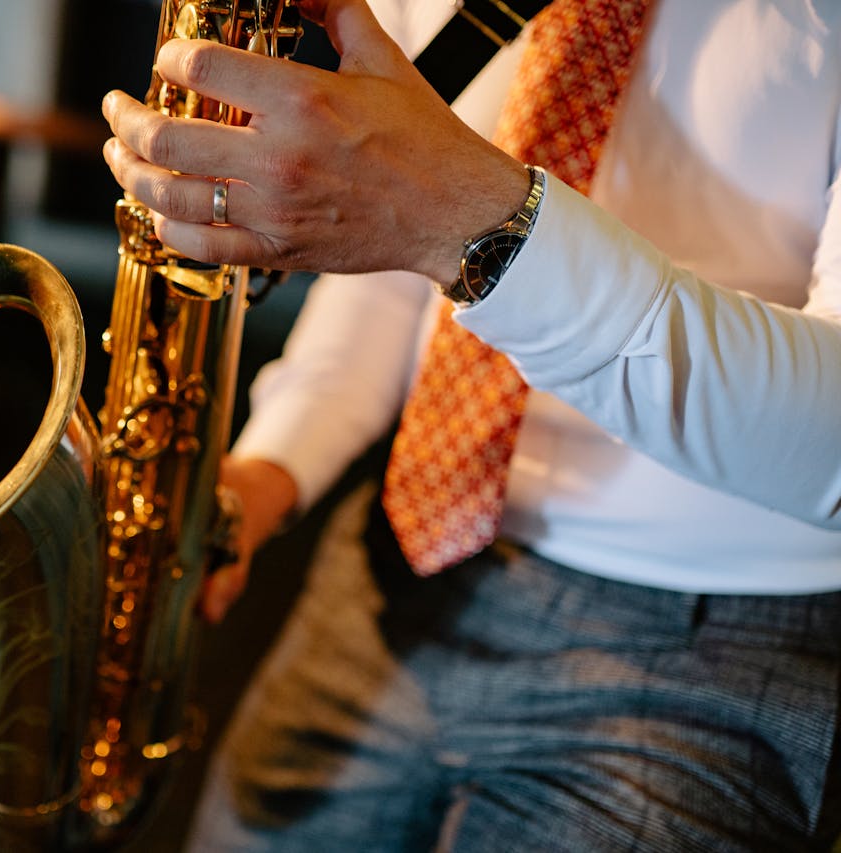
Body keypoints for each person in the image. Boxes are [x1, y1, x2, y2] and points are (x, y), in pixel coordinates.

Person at [102, 0, 841, 849]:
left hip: (714, 635)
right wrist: (262, 478)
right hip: (408, 559)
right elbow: (386, 263)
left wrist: (472, 223)